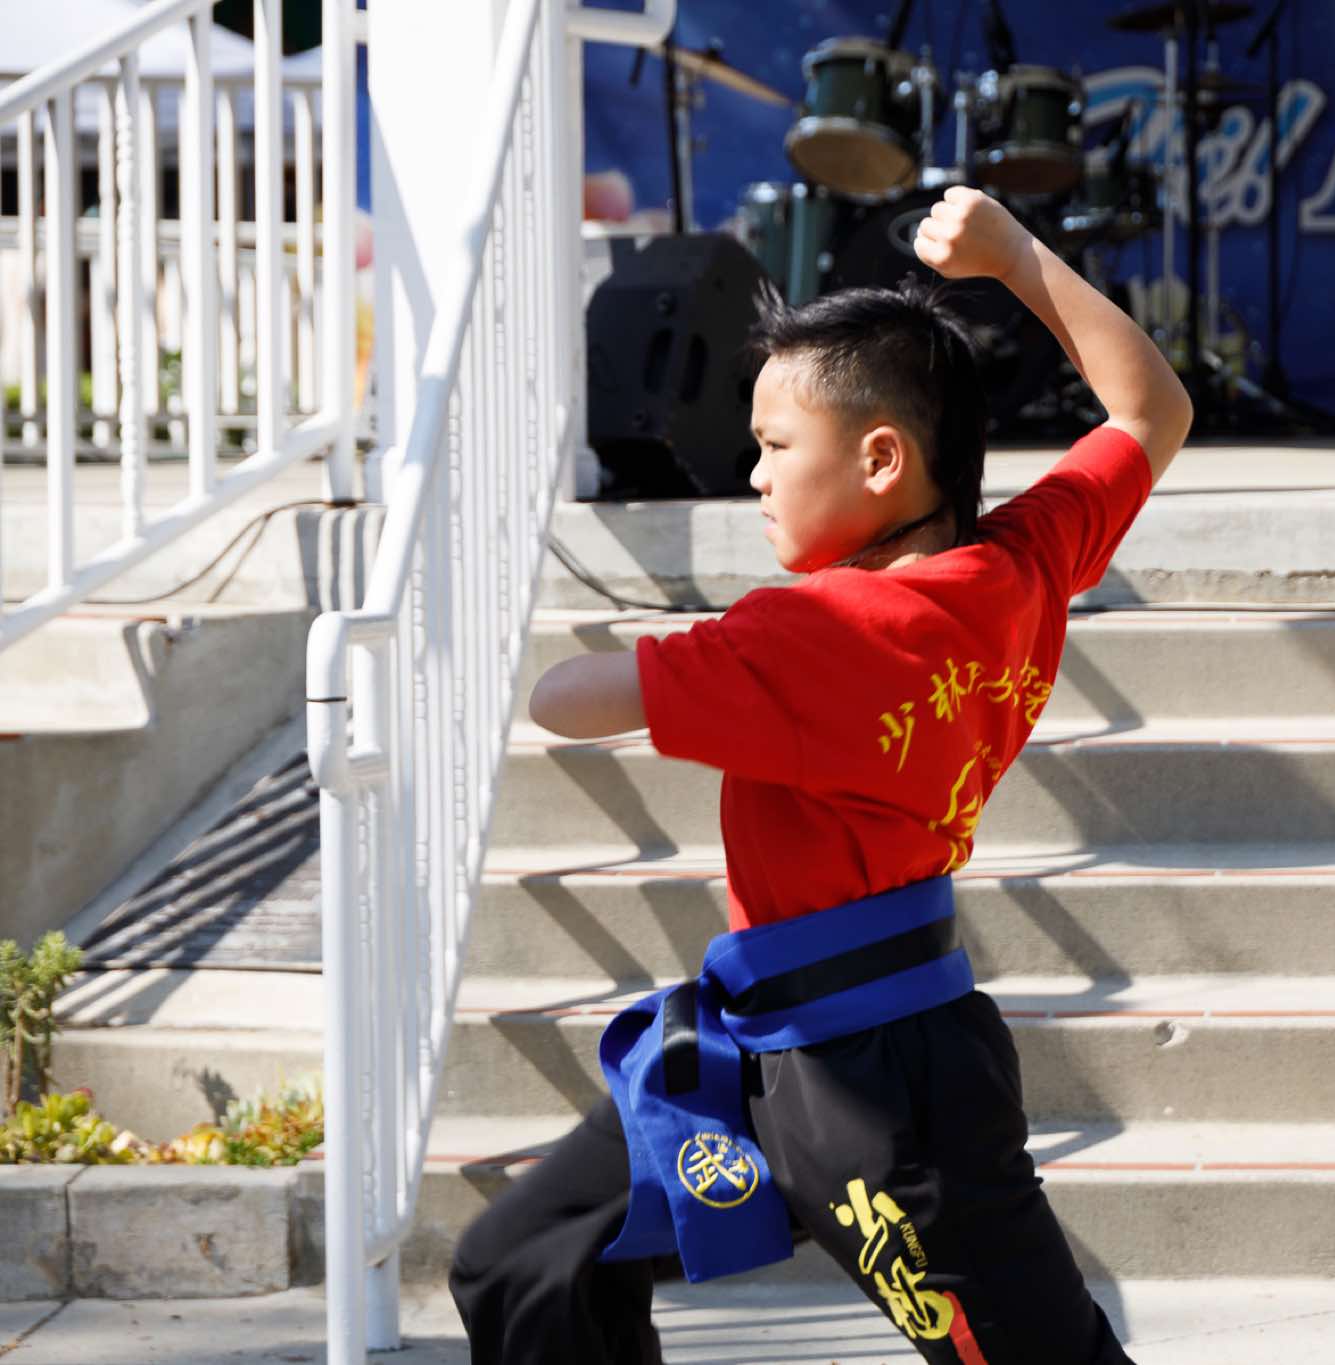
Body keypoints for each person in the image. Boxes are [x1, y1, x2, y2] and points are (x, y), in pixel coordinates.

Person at [448, 185, 1193, 1364]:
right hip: (763, 1050)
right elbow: (1150, 408)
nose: (753, 475)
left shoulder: (818, 633)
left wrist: (699, 655)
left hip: (881, 1094)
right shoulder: (1023, 562)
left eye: (775, 446)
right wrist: (1012, 256)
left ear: (881, 458)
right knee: (530, 1256)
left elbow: (564, 702)